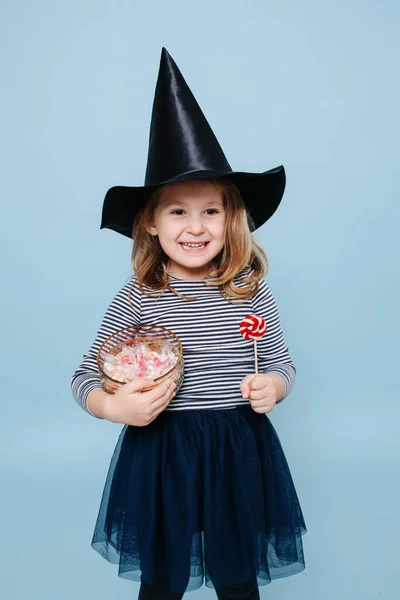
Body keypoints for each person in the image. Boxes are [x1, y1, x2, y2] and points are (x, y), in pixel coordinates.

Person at [71, 48, 306, 600]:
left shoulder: (249, 293)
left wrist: (274, 386)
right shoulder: (138, 298)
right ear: (150, 222)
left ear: (231, 219)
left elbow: (280, 364)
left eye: (211, 211)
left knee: (237, 574)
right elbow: (85, 375)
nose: (195, 226)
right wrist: (114, 406)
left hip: (237, 450)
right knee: (163, 578)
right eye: (178, 211)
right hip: (162, 453)